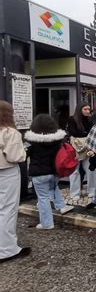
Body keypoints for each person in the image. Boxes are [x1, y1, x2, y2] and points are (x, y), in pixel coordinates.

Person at [25, 114, 74, 229]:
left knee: (43, 199)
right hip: (54, 173)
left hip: (39, 174)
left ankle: (47, 224)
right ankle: (61, 206)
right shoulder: (57, 141)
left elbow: (23, 156)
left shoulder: (31, 142)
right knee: (53, 188)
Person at [0, 101, 30, 262]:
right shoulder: (10, 132)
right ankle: (7, 249)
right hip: (7, 172)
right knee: (8, 210)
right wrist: (23, 151)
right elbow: (15, 156)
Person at [67, 102, 96, 201]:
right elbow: (73, 132)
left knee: (91, 170)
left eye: (89, 109)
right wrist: (85, 134)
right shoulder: (72, 119)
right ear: (80, 110)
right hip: (75, 149)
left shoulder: (90, 120)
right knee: (74, 172)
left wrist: (83, 134)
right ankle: (75, 193)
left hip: (87, 148)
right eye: (85, 109)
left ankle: (92, 191)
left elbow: (92, 132)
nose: (88, 111)